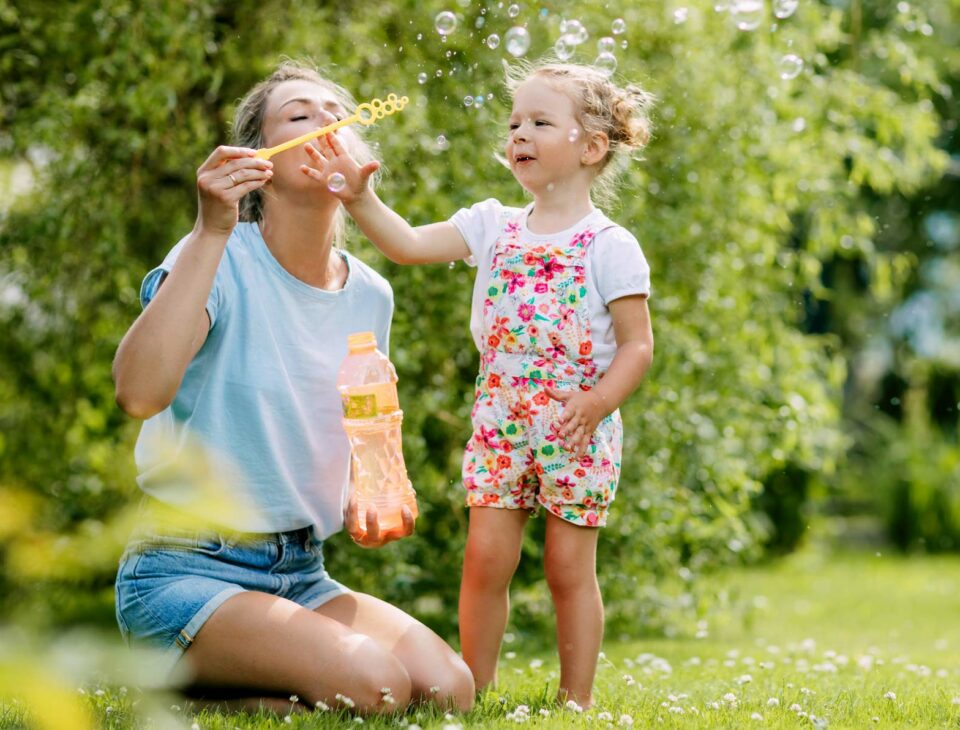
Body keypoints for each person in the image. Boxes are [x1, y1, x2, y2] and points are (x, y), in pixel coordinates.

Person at [112, 61, 474, 715]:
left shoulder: (370, 291)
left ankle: (241, 685)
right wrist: (209, 230)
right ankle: (184, 678)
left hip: (300, 572)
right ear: (260, 163)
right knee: (378, 687)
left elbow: (359, 420)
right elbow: (139, 393)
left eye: (339, 112)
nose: (326, 122)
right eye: (300, 115)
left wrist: (376, 482)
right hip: (186, 568)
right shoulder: (214, 257)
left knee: (448, 689)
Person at [309, 60, 656, 707]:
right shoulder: (493, 225)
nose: (519, 133)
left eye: (540, 122)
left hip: (576, 427)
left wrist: (601, 400)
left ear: (591, 147)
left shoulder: (610, 245)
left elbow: (638, 345)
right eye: (514, 121)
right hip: (500, 423)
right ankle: (475, 688)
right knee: (484, 562)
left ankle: (574, 700)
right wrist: (361, 200)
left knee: (566, 570)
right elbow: (408, 244)